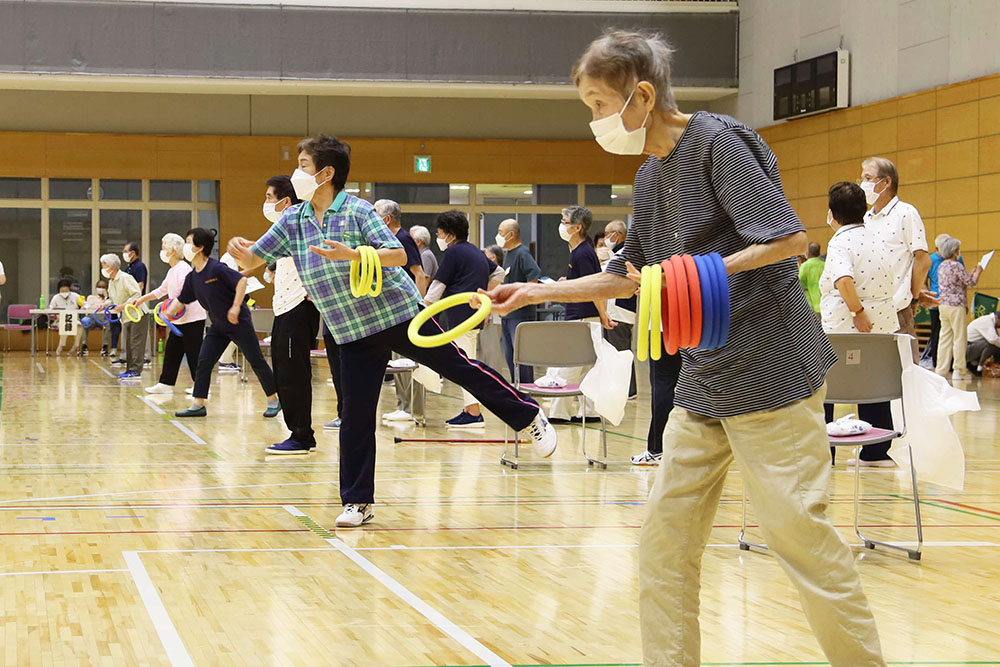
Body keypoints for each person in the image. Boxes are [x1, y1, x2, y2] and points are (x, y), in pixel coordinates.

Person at [482, 29, 885, 666]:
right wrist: (535, 291)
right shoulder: (649, 178)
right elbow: (634, 272)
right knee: (664, 546)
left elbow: (785, 241)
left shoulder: (720, 141)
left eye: (597, 105)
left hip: (773, 369)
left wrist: (702, 272)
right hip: (705, 378)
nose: (594, 120)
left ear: (641, 96)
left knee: (800, 538)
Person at [226, 134, 556, 527]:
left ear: (326, 173)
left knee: (458, 367)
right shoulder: (293, 221)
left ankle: (528, 414)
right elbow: (252, 260)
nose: (297, 173)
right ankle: (357, 501)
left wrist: (355, 254)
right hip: (350, 330)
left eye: (303, 165)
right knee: (356, 415)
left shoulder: (358, 211)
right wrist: (239, 250)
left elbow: (400, 254)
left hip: (397, 313)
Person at [818, 182, 897, 467]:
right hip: (882, 332)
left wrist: (858, 311)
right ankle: (875, 451)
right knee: (873, 386)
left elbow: (843, 280)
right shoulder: (878, 238)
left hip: (845, 331)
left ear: (832, 214)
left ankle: (823, 452)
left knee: (824, 385)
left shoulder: (839, 242)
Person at [165, 228, 280, 419]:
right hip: (218, 326)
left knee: (256, 360)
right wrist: (168, 312)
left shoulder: (216, 268)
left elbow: (241, 281)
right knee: (204, 362)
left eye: (188, 242)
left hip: (238, 323)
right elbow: (182, 299)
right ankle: (198, 404)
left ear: (200, 248)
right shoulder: (193, 277)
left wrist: (235, 307)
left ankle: (274, 400)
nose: (185, 246)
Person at [258, 175, 325, 454]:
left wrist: (316, 288)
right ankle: (297, 433)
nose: (265, 203)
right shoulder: (285, 229)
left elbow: (319, 256)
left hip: (299, 306)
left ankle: (301, 435)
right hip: (284, 306)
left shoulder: (301, 226)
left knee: (293, 374)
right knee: (284, 372)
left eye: (269, 198)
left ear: (286, 201)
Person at [425, 209, 506, 428]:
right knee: (466, 360)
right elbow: (499, 273)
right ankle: (469, 409)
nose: (439, 237)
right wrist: (482, 293)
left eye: (440, 233)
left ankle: (473, 412)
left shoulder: (453, 253)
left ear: (450, 234)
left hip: (460, 315)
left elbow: (438, 285)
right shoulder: (476, 251)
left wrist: (423, 309)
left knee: (465, 363)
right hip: (472, 315)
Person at [860, 156, 935, 363]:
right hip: (868, 312)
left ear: (886, 182)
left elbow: (922, 260)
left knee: (904, 376)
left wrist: (914, 296)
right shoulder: (865, 218)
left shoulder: (906, 213)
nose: (862, 184)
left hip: (897, 310)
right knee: (873, 379)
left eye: (867, 178)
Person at [547, 205, 609, 423]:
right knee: (587, 366)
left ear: (577, 227)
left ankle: (559, 411)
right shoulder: (578, 251)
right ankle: (589, 411)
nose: (561, 226)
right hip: (582, 315)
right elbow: (583, 283)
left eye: (565, 222)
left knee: (572, 364)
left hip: (584, 316)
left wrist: (603, 315)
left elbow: (595, 288)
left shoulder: (583, 253)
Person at [133, 233, 208, 395]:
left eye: (163, 246)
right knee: (172, 352)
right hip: (179, 319)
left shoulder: (184, 269)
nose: (161, 249)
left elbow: (185, 293)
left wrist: (169, 311)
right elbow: (161, 290)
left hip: (193, 318)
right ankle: (165, 383)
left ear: (173, 250)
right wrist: (141, 300)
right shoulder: (173, 270)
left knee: (194, 354)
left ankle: (201, 387)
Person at [376, 199, 429, 425]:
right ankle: (403, 405)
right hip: (394, 309)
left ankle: (411, 408)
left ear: (387, 219)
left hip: (408, 310)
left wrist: (421, 305)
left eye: (376, 215)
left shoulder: (403, 240)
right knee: (399, 361)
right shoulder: (390, 241)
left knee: (410, 360)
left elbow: (419, 273)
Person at [496, 218, 542, 384]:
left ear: (511, 234)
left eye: (501, 233)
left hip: (520, 314)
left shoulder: (522, 253)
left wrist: (521, 300)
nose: (498, 236)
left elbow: (534, 277)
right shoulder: (508, 254)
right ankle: (516, 386)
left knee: (521, 354)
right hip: (508, 315)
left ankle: (526, 388)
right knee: (510, 355)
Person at [934, 236, 981, 382]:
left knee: (945, 338)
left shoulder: (941, 266)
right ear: (955, 251)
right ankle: (959, 371)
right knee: (960, 338)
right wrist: (978, 271)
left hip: (943, 305)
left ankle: (941, 370)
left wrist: (970, 273)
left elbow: (958, 282)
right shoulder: (957, 265)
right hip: (956, 305)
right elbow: (970, 282)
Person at [602, 219, 638, 399]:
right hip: (613, 309)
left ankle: (628, 390)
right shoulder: (614, 254)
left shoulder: (626, 254)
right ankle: (618, 387)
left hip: (621, 311)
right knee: (613, 352)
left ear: (617, 235)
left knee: (621, 351)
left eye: (608, 234)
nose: (605, 238)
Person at [101, 253, 147, 380]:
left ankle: (135, 371)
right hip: (126, 316)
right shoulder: (111, 282)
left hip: (137, 314)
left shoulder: (125, 278)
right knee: (128, 344)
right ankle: (129, 369)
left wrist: (122, 306)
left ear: (112, 267)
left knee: (136, 343)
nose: (103, 269)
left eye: (104, 266)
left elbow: (137, 294)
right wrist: (105, 304)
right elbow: (112, 299)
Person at [920, 234, 961, 369]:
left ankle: (951, 364)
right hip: (936, 302)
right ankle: (938, 363)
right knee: (938, 334)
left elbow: (963, 281)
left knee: (955, 334)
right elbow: (922, 281)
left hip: (953, 302)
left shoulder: (958, 259)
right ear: (937, 247)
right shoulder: (930, 260)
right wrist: (927, 296)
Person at [122, 241, 151, 366]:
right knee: (129, 335)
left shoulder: (140, 266)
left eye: (125, 251)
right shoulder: (128, 268)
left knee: (140, 334)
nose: (124, 254)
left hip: (137, 304)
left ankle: (145, 356)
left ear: (133, 253)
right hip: (127, 306)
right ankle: (127, 358)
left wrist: (134, 299)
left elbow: (140, 285)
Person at [49, 278, 82, 356]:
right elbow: (50, 310)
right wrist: (54, 311)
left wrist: (84, 307)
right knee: (64, 324)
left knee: (79, 325)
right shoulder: (56, 298)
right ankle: (61, 345)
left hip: (75, 319)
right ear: (59, 291)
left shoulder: (75, 296)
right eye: (62, 291)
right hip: (60, 320)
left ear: (69, 290)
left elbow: (85, 304)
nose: (64, 293)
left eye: (66, 291)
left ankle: (76, 345)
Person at [967, 311, 1000, 375]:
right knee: (992, 344)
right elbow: (993, 339)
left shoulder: (992, 322)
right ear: (997, 318)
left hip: (973, 346)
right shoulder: (987, 321)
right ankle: (978, 368)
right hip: (967, 349)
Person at [798, 242, 824, 315]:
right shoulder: (824, 265)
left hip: (810, 302)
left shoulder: (805, 266)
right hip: (824, 300)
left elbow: (799, 283)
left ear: (808, 253)